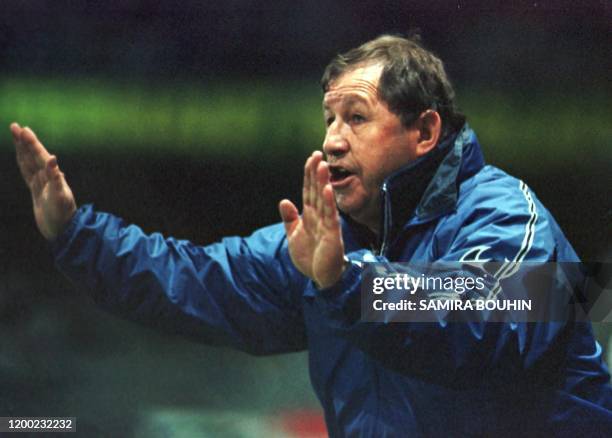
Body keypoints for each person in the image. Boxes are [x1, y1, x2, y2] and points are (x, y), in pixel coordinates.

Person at [11, 35, 612, 436]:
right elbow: (194, 278)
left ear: (425, 132)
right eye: (328, 119)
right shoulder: (328, 243)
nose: (331, 139)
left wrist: (349, 285)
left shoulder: (508, 217)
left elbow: (485, 316)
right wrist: (76, 232)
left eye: (356, 117)